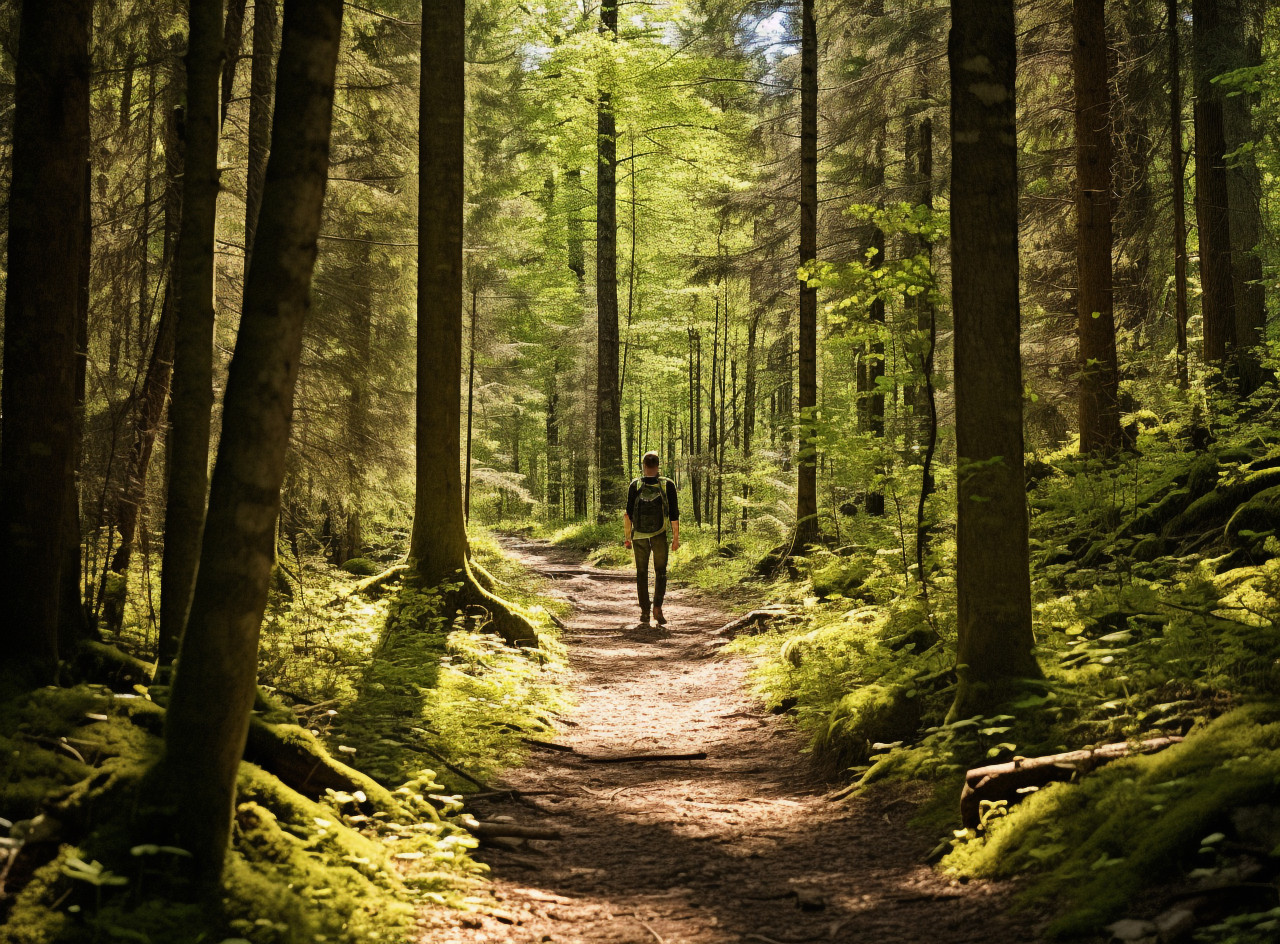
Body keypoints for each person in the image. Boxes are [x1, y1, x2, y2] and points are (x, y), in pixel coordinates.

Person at [623, 451, 680, 626]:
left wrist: (627, 538)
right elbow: (674, 514)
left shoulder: (635, 484)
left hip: (639, 536)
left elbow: (628, 515)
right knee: (660, 572)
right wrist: (675, 538)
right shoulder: (667, 485)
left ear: (643, 466)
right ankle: (658, 607)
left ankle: (645, 612)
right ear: (658, 466)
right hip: (659, 534)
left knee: (641, 573)